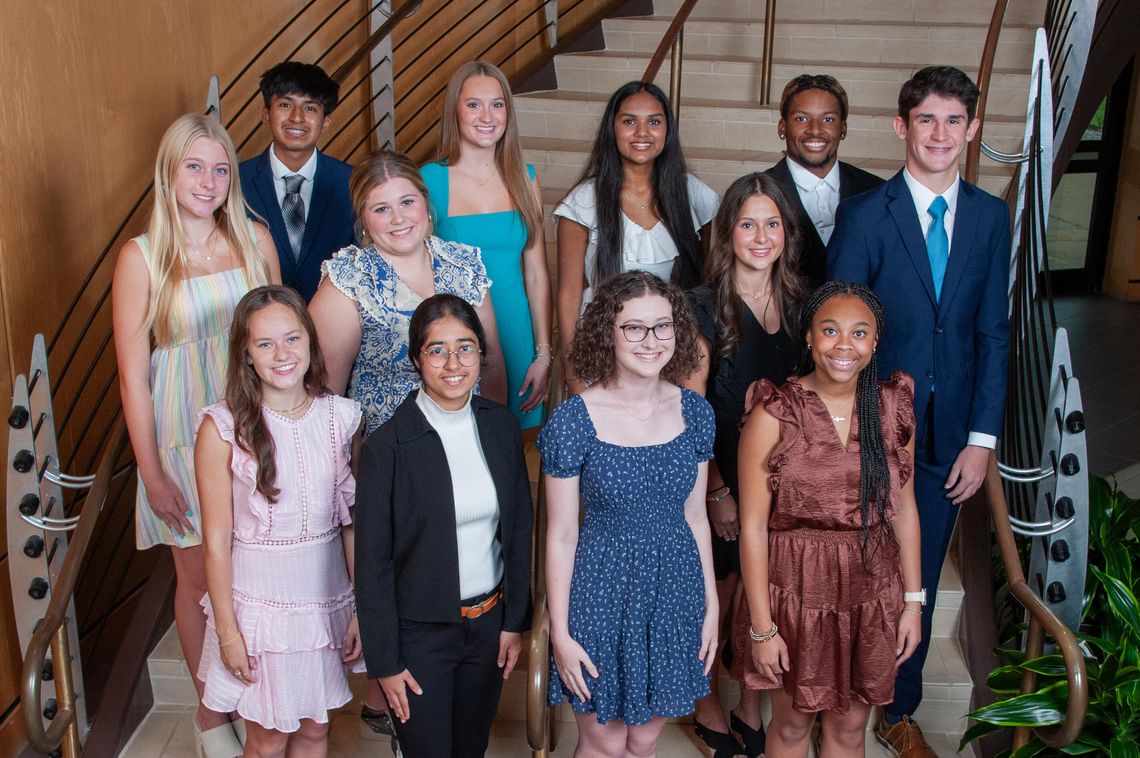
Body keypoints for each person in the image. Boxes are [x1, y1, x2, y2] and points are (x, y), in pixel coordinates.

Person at [827, 65, 1010, 756]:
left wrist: (982, 438)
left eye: (953, 121)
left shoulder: (992, 218)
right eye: (926, 119)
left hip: (949, 438)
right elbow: (837, 323)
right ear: (902, 126)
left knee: (918, 577)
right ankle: (834, 693)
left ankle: (897, 708)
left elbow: (992, 333)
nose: (939, 134)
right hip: (867, 431)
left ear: (969, 131)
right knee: (850, 569)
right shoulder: (866, 215)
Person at [112, 113, 280, 758]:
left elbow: (283, 338)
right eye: (194, 166)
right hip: (181, 432)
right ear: (168, 171)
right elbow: (132, 377)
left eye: (220, 168)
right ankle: (212, 717)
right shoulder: (141, 256)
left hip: (252, 424)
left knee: (255, 568)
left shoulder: (253, 239)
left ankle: (260, 695)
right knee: (196, 577)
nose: (208, 181)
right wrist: (151, 472)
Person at [734, 281, 923, 757]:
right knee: (793, 725)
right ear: (809, 337)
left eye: (860, 333)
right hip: (794, 586)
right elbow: (754, 527)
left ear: (875, 342)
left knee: (849, 728)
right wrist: (762, 627)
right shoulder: (774, 412)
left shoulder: (892, 407)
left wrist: (913, 603)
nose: (844, 345)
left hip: (870, 586)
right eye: (830, 330)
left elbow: (905, 510)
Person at [540, 270, 719, 757]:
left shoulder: (695, 413)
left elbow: (697, 517)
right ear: (608, 332)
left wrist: (711, 606)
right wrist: (560, 631)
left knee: (643, 740)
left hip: (674, 593)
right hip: (600, 593)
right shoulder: (574, 419)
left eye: (663, 326)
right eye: (634, 328)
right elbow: (559, 535)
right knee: (603, 742)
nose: (651, 340)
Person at [354, 294, 533, 758]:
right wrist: (385, 663)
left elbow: (516, 532)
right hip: (419, 635)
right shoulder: (387, 447)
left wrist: (514, 622)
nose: (453, 362)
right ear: (416, 358)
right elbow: (372, 564)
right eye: (437, 349)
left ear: (480, 354)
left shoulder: (500, 427)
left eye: (466, 347)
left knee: (471, 748)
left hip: (488, 626)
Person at [195, 285, 364, 756]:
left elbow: (348, 523)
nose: (282, 354)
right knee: (268, 738)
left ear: (311, 341)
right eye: (265, 344)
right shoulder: (223, 428)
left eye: (292, 339)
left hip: (323, 599)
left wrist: (356, 607)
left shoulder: (341, 417)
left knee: (315, 729)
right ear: (246, 355)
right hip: (260, 610)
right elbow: (214, 542)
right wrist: (229, 633)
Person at [684, 173, 806, 758]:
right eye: (748, 223)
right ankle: (705, 700)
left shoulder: (806, 304)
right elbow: (687, 411)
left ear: (788, 231)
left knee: (772, 596)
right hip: (725, 477)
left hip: (787, 483)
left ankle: (749, 704)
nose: (761, 236)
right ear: (727, 231)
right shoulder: (701, 308)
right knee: (724, 592)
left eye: (772, 224)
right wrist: (716, 489)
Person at [309, 148, 507, 435]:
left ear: (425, 204)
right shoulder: (348, 282)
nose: (398, 218)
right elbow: (326, 399)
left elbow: (491, 366)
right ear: (363, 218)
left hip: (466, 435)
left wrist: (493, 439)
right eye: (381, 209)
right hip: (387, 452)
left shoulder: (465, 266)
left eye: (407, 202)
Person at [554, 81, 719, 392]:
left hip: (668, 346)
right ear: (612, 129)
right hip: (601, 346)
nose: (642, 133)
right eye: (629, 121)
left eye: (654, 122)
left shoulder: (691, 193)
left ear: (667, 129)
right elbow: (568, 293)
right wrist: (573, 369)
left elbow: (711, 277)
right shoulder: (583, 201)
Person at [421, 61, 552, 429]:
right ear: (455, 111)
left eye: (497, 104)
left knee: (513, 441)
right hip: (456, 332)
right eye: (474, 104)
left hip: (516, 327)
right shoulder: (429, 180)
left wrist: (542, 354)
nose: (487, 116)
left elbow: (537, 272)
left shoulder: (525, 178)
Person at [240, 61, 355, 301]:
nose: (297, 118)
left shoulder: (352, 182)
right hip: (258, 327)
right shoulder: (236, 182)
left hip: (337, 327)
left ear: (326, 121)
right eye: (285, 105)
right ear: (266, 114)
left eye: (310, 108)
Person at [764, 74, 883, 289]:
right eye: (801, 118)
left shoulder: (876, 191)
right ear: (782, 127)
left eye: (828, 119)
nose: (815, 130)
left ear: (843, 128)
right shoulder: (758, 192)